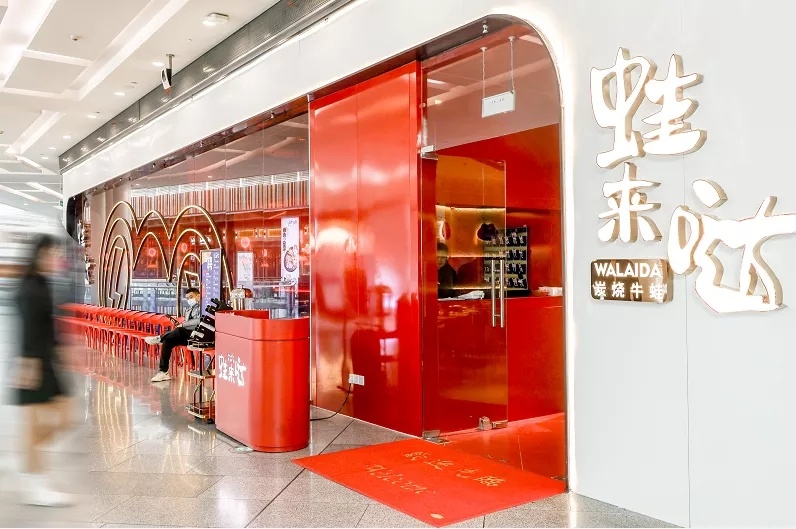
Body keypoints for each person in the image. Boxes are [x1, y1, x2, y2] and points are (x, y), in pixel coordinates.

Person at [14, 234, 74, 507]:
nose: (56, 259)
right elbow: (29, 328)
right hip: (34, 365)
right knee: (36, 423)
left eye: (56, 254)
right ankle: (34, 479)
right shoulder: (29, 287)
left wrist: (61, 351)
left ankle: (28, 466)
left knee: (63, 419)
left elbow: (49, 326)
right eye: (51, 254)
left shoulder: (42, 283)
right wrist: (28, 363)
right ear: (38, 254)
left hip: (48, 362)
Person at [145, 288, 201, 382]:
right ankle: (163, 372)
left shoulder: (202, 308)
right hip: (187, 335)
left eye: (191, 297)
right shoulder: (188, 310)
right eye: (187, 298)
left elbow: (199, 321)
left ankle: (159, 338)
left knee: (179, 330)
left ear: (198, 296)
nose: (189, 300)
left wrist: (183, 325)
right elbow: (187, 324)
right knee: (168, 341)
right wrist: (181, 324)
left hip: (198, 335)